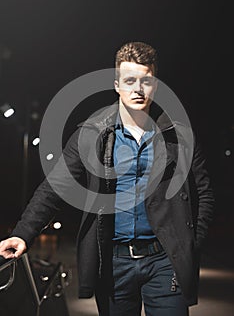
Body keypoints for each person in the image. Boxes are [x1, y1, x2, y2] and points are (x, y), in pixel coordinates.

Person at [0, 42, 215, 315]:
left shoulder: (179, 136)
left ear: (155, 85)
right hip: (114, 264)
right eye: (129, 81)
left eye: (146, 81)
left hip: (165, 261)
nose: (138, 89)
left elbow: (204, 194)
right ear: (116, 85)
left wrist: (189, 243)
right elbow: (55, 188)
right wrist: (22, 234)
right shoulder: (92, 134)